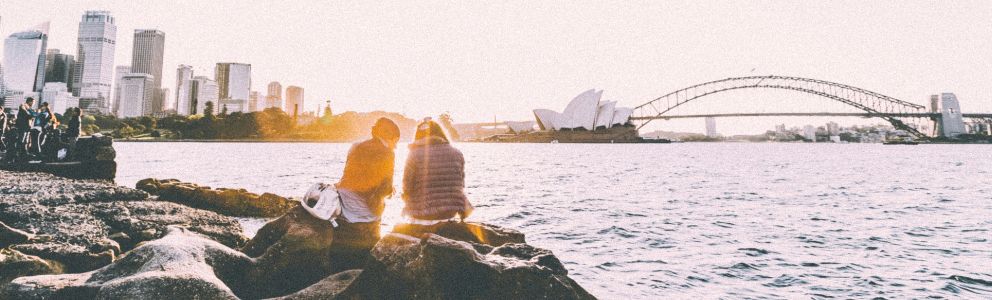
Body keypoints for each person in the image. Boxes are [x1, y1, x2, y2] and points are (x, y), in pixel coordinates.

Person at [329, 117, 401, 271]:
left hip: (344, 204)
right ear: (391, 137)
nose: (396, 146)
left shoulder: (355, 146)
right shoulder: (388, 153)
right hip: (365, 214)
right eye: (396, 141)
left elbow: (349, 175)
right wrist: (391, 190)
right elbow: (385, 189)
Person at [400, 119, 473, 223]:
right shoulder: (457, 153)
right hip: (451, 211)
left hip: (422, 213)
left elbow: (407, 185)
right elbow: (461, 184)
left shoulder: (414, 154)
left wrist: (405, 200)